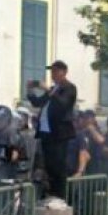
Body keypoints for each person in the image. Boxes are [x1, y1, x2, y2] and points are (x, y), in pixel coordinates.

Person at [26, 60, 77, 199]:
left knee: (58, 169)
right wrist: (30, 91)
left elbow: (64, 104)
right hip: (46, 134)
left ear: (64, 72)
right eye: (52, 71)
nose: (53, 74)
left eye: (56, 71)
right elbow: (38, 103)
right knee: (48, 167)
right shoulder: (54, 89)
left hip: (59, 135)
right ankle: (52, 195)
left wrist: (48, 89)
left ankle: (60, 197)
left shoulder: (69, 88)